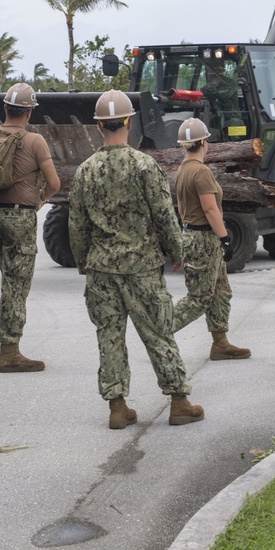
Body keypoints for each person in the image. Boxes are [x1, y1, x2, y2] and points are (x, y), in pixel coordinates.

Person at [69, 90, 204, 430]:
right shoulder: (145, 166)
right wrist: (177, 252)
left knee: (109, 335)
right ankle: (178, 401)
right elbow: (164, 215)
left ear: (100, 126)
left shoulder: (85, 171)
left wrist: (84, 261)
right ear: (129, 121)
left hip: (101, 269)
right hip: (141, 267)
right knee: (158, 332)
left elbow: (76, 224)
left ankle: (117, 407)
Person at [0, 82, 60, 372]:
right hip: (19, 218)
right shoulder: (34, 141)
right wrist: (40, 200)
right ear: (29, 113)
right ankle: (9, 351)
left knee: (8, 279)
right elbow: (54, 184)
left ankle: (8, 344)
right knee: (16, 285)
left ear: (5, 108)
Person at [171, 117, 251, 360]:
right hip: (203, 238)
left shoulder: (183, 169)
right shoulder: (201, 171)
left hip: (194, 235)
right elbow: (210, 209)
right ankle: (160, 330)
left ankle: (220, 343)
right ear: (204, 142)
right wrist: (225, 238)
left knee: (220, 291)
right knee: (198, 298)